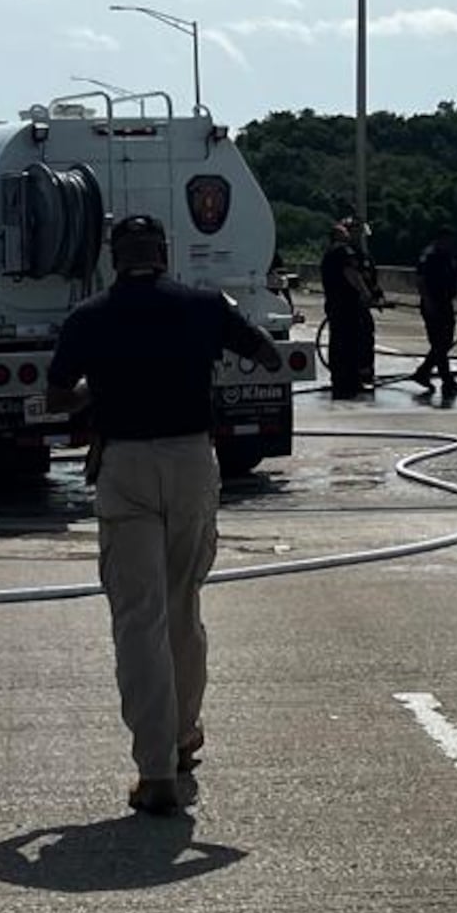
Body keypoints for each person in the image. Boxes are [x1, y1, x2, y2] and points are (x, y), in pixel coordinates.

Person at [48, 214, 286, 815]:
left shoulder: (90, 317)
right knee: (183, 606)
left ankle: (155, 773)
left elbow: (58, 397)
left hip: (125, 466)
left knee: (139, 618)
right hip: (190, 461)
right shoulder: (204, 306)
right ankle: (183, 737)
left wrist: (101, 392)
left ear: (113, 257)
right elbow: (265, 355)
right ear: (163, 252)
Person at [318, 217, 379, 400]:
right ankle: (351, 381)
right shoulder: (343, 251)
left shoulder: (330, 253)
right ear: (338, 235)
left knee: (339, 343)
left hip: (336, 305)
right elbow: (350, 273)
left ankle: (341, 379)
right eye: (344, 231)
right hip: (347, 305)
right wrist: (365, 292)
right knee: (350, 343)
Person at [413, 231, 457, 399]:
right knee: (439, 343)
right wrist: (428, 301)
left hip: (446, 302)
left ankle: (423, 372)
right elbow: (421, 280)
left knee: (445, 342)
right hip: (433, 303)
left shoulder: (447, 254)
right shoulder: (429, 256)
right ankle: (447, 380)